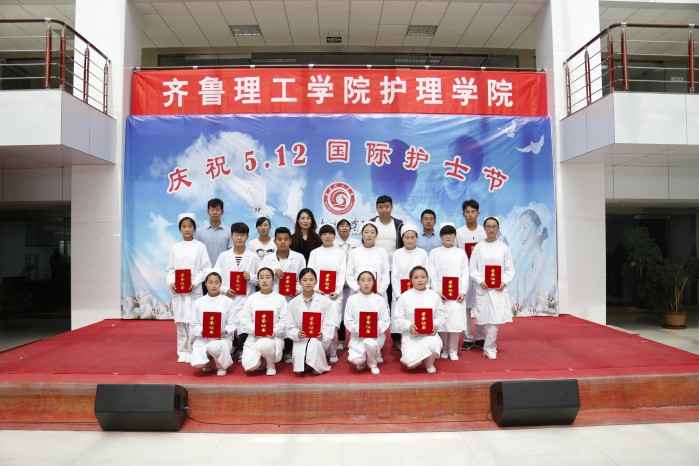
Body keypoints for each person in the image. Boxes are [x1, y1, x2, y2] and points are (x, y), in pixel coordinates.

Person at [166, 213, 211, 363]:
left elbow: (206, 268)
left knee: (193, 322)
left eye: (190, 226)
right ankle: (182, 351)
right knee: (180, 323)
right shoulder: (175, 247)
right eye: (184, 226)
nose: (187, 229)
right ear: (180, 229)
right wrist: (171, 282)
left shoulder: (200, 247)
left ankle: (193, 350)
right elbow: (170, 269)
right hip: (179, 292)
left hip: (193, 290)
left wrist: (195, 282)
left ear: (194, 228)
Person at [469, 217, 516, 360]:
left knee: (495, 319)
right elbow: (472, 268)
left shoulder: (503, 247)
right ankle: (484, 342)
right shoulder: (478, 247)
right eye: (488, 227)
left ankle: (489, 347)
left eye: (494, 227)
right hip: (483, 288)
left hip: (498, 289)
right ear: (484, 228)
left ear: (498, 229)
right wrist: (480, 280)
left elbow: (509, 269)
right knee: (483, 318)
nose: (491, 229)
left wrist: (504, 281)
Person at [214, 222, 260, 359]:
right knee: (229, 323)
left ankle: (242, 349)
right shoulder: (223, 256)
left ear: (247, 237)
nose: (239, 238)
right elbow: (215, 277)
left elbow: (262, 278)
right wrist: (224, 289)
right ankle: (234, 346)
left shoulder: (253, 256)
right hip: (228, 297)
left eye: (242, 235)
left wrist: (250, 277)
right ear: (232, 236)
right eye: (236, 235)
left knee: (245, 324)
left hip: (247, 297)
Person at [261, 226, 306, 362]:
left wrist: (297, 290)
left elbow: (303, 278)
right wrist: (272, 272)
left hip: (292, 298)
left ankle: (287, 351)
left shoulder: (299, 257)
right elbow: (261, 278)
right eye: (279, 239)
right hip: (272, 298)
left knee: (291, 324)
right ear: (274, 241)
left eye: (286, 239)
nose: (282, 242)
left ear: (290, 241)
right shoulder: (267, 259)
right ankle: (272, 351)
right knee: (275, 323)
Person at [393, 266, 446, 374]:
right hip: (411, 335)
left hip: (429, 335)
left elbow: (442, 315)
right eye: (416, 277)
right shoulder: (404, 296)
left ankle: (429, 363)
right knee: (410, 363)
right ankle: (417, 357)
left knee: (434, 344)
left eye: (423, 277)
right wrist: (409, 326)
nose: (420, 280)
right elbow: (398, 318)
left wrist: (435, 325)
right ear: (411, 280)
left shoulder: (434, 296)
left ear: (427, 278)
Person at [429, 223, 470, 361]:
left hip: (456, 294)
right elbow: (432, 273)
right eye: (445, 234)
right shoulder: (435, 253)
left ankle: (453, 349)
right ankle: (444, 348)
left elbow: (465, 273)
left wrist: (462, 291)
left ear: (455, 236)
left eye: (451, 234)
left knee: (455, 323)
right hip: (441, 294)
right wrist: (437, 291)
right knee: (443, 323)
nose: (448, 237)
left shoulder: (460, 253)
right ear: (441, 236)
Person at [286, 268, 336, 375]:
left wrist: (323, 334)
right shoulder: (293, 303)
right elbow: (290, 325)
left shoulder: (325, 302)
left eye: (311, 280)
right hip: (302, 338)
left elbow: (329, 323)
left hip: (319, 338)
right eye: (305, 280)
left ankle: (316, 366)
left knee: (314, 344)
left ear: (316, 281)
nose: (308, 283)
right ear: (300, 282)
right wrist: (297, 333)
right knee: (299, 360)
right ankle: (305, 363)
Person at [238, 267, 288, 376]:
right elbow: (244, 320)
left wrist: (274, 331)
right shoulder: (251, 299)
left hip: (273, 337)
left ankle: (270, 364)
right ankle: (261, 360)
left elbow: (285, 321)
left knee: (265, 344)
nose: (264, 280)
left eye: (268, 277)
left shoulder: (280, 299)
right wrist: (254, 330)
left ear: (273, 280)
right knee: (249, 366)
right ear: (258, 280)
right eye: (261, 278)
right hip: (254, 336)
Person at [308, 224, 346, 362]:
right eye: (324, 234)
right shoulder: (315, 253)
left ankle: (333, 352)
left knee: (333, 325)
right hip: (318, 294)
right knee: (319, 324)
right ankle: (320, 351)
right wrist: (316, 288)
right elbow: (310, 272)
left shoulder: (340, 253)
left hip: (334, 295)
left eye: (330, 233)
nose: (327, 236)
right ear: (320, 236)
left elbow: (342, 273)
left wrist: (337, 291)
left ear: (334, 236)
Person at [370, 195, 404, 350]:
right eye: (381, 207)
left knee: (394, 303)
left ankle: (396, 337)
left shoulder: (398, 224)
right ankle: (374, 335)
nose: (384, 210)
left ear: (392, 207)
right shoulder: (372, 223)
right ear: (377, 208)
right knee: (376, 304)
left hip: (394, 270)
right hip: (376, 273)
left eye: (387, 206)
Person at [189, 270, 236, 376]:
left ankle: (220, 365)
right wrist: (202, 331)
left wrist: (224, 331)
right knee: (197, 362)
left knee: (213, 347)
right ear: (205, 284)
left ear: (221, 284)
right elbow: (194, 324)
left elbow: (233, 322)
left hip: (222, 338)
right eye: (210, 282)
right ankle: (208, 362)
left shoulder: (228, 301)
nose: (213, 286)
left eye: (216, 282)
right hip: (203, 338)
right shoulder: (199, 302)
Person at [344, 270, 390, 375]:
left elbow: (385, 319)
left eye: (369, 280)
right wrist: (359, 329)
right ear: (358, 282)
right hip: (357, 336)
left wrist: (376, 328)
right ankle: (364, 358)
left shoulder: (379, 299)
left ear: (373, 282)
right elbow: (348, 320)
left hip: (375, 335)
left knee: (370, 342)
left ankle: (372, 363)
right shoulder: (352, 299)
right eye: (363, 280)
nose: (366, 283)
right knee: (357, 361)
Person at [455, 199, 487, 351]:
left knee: (481, 306)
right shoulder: (458, 233)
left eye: (473, 212)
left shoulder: (484, 232)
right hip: (465, 274)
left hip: (481, 274)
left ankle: (480, 338)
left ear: (478, 213)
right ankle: (467, 338)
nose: (470, 214)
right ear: (463, 214)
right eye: (467, 212)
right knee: (465, 308)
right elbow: (456, 252)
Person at [391, 223, 432, 335]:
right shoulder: (397, 253)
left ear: (417, 238)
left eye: (412, 237)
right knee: (401, 315)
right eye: (407, 237)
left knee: (416, 314)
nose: (410, 240)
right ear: (402, 238)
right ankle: (400, 338)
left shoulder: (422, 253)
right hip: (401, 291)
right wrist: (397, 294)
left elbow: (427, 272)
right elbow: (394, 275)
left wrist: (425, 289)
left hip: (419, 289)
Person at [517, 208, 557, 311]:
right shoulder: (528, 273)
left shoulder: (550, 265)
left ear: (539, 230)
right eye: (519, 230)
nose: (521, 236)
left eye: (525, 228)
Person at [346, 221, 390, 307]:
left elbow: (385, 276)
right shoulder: (354, 252)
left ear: (376, 234)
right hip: (358, 295)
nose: (369, 235)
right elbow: (349, 275)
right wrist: (357, 290)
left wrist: (380, 292)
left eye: (372, 232)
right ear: (361, 233)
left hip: (378, 295)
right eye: (366, 232)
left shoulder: (382, 252)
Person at [333, 218, 361, 350]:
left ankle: (357, 338)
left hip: (353, 282)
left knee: (353, 311)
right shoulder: (333, 243)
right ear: (337, 229)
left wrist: (350, 280)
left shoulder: (357, 243)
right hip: (337, 282)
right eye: (341, 225)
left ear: (351, 228)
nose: (344, 227)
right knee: (339, 311)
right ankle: (342, 340)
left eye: (347, 225)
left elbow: (358, 263)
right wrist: (341, 281)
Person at [195, 198, 233, 266]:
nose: (215, 212)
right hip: (204, 269)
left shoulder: (229, 232)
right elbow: (196, 253)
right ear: (208, 212)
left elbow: (231, 253)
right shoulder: (199, 232)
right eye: (212, 210)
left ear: (222, 212)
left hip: (223, 268)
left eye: (217, 210)